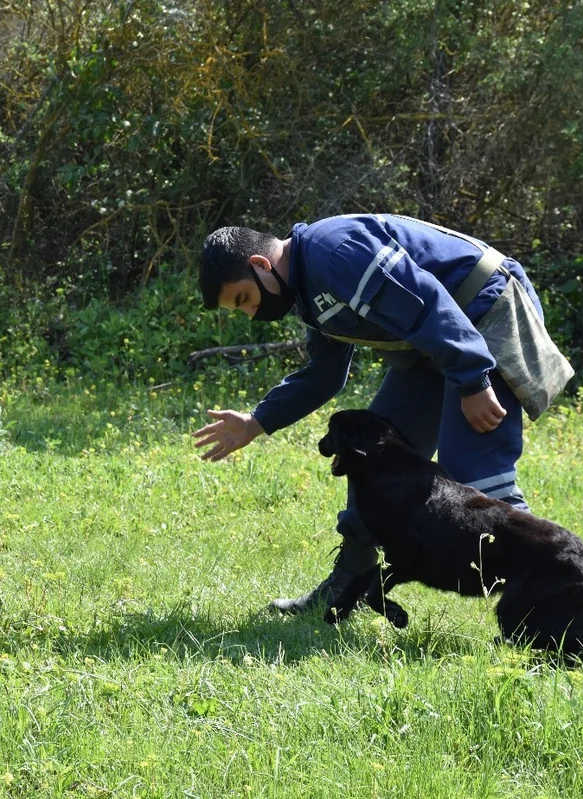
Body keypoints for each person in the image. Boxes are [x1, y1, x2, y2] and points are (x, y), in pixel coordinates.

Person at [194, 213, 559, 615]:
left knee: (478, 477)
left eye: (245, 298)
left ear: (260, 266)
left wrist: (473, 381)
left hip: (483, 317)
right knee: (368, 457)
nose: (251, 312)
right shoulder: (306, 286)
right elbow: (325, 373)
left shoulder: (334, 253)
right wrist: (256, 421)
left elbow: (425, 303)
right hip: (434, 343)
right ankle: (349, 584)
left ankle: (555, 604)